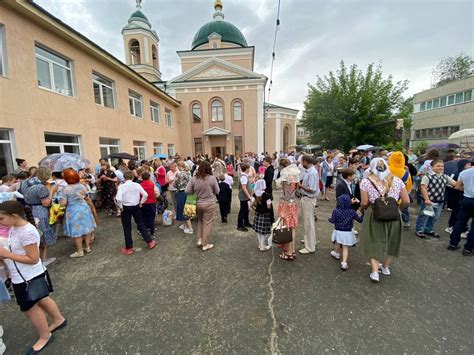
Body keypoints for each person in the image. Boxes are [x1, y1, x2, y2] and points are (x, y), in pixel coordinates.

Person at [0, 201, 66, 353]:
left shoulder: (26, 232)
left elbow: (33, 258)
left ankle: (45, 336)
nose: (0, 222)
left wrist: (6, 254)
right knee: (42, 298)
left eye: (2, 219)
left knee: (29, 308)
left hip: (28, 277)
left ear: (14, 216)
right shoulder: (14, 228)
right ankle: (58, 319)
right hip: (27, 275)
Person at [359, 158, 410, 283]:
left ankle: (375, 271)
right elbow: (407, 200)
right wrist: (398, 209)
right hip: (393, 214)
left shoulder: (366, 182)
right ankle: (386, 267)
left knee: (373, 240)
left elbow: (365, 202)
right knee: (392, 240)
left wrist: (362, 209)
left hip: (374, 214)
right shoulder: (397, 180)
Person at [115, 171, 157, 255]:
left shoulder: (121, 186)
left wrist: (120, 207)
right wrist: (141, 202)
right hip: (136, 206)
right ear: (133, 177)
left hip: (126, 207)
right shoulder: (137, 185)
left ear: (124, 177)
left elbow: (118, 198)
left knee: (127, 227)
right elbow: (145, 194)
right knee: (140, 224)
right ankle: (149, 241)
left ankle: (129, 248)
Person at [58, 169, 97, 258]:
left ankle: (80, 251)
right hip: (84, 208)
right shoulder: (82, 186)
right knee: (87, 227)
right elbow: (86, 196)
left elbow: (62, 203)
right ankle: (87, 247)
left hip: (73, 210)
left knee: (77, 230)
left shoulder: (65, 189)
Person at [24, 167, 57, 266]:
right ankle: (44, 259)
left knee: (35, 233)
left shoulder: (27, 184)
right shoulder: (41, 187)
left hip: (29, 210)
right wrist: (51, 191)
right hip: (39, 211)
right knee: (42, 234)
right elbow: (46, 203)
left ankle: (38, 257)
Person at [415, 159, 455, 239]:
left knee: (435, 217)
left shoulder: (445, 176)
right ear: (432, 167)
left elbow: (455, 183)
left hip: (440, 201)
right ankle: (419, 230)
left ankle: (428, 229)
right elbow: (423, 188)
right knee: (424, 215)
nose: (441, 168)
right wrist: (426, 199)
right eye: (438, 166)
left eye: (442, 166)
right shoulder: (427, 176)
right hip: (428, 201)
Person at [185, 161, 220, 251]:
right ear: (209, 168)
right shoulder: (212, 178)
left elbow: (187, 191)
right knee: (207, 224)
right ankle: (205, 244)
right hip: (209, 203)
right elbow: (217, 191)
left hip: (197, 203)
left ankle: (200, 240)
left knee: (200, 221)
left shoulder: (193, 178)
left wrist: (195, 193)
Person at [329, 194, 364, 270]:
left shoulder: (335, 211)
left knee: (337, 242)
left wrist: (329, 219)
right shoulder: (352, 212)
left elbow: (332, 220)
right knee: (345, 247)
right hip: (347, 232)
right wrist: (363, 214)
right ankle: (344, 263)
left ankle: (336, 253)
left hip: (338, 230)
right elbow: (360, 220)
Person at [276, 158, 300, 261]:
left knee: (288, 228)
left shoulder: (285, 176)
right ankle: (292, 250)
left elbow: (286, 194)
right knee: (292, 228)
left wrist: (283, 207)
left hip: (287, 204)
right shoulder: (295, 173)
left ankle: (289, 253)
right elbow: (295, 190)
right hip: (293, 203)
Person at [448, 163, 474, 256]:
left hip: (466, 199)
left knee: (460, 222)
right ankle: (468, 248)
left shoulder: (464, 172)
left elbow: (457, 186)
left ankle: (453, 243)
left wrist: (467, 190)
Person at [297, 155, 319, 254]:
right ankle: (310, 241)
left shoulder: (312, 173)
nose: (301, 164)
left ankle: (310, 247)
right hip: (306, 198)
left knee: (308, 223)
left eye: (302, 162)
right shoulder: (309, 171)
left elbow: (312, 188)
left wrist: (300, 185)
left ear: (305, 162)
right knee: (308, 222)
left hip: (308, 199)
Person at [388, 152, 413, 229]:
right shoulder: (406, 173)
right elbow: (408, 189)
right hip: (398, 202)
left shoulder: (386, 170)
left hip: (383, 200)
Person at [446, 159, 471, 235]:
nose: (470, 166)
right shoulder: (459, 174)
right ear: (463, 165)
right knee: (458, 213)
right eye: (468, 164)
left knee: (456, 212)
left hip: (459, 196)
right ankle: (457, 228)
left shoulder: (464, 173)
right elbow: (452, 185)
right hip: (456, 196)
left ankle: (452, 226)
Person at [251, 174, 272, 251]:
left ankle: (260, 244)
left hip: (258, 214)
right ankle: (262, 246)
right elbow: (269, 206)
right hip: (265, 214)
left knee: (258, 230)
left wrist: (255, 209)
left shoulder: (254, 194)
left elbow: (251, 205)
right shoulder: (267, 195)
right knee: (264, 231)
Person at [139, 171, 159, 238]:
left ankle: (145, 233)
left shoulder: (140, 185)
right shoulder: (151, 184)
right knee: (151, 218)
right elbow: (154, 193)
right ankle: (152, 233)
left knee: (144, 218)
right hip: (151, 202)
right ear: (149, 177)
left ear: (141, 177)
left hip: (143, 203)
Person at [174, 161, 193, 234]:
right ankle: (185, 225)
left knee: (184, 209)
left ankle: (190, 228)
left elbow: (175, 185)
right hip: (190, 192)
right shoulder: (189, 173)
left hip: (182, 193)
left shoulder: (178, 174)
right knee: (188, 209)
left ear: (179, 166)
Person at [237, 163, 253, 232]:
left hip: (245, 196)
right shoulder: (243, 177)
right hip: (243, 196)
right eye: (249, 168)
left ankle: (246, 222)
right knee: (243, 210)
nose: (249, 169)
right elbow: (244, 187)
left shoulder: (245, 176)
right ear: (246, 169)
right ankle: (240, 225)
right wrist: (249, 196)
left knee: (246, 210)